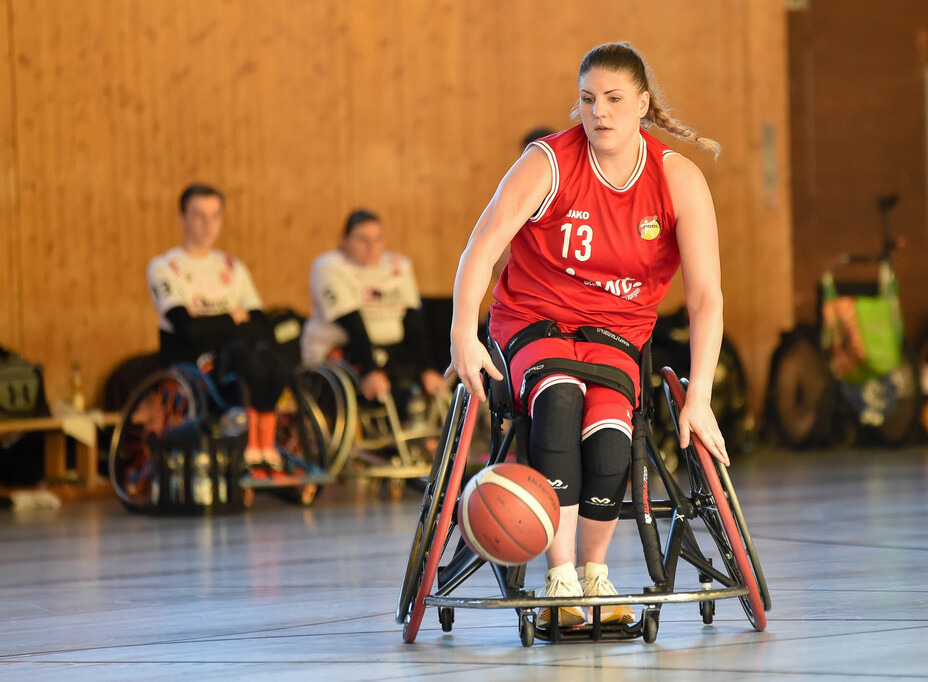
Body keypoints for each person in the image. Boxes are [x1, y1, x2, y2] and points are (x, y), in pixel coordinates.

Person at [447, 42, 730, 628]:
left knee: (608, 437)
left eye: (614, 98)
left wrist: (699, 395)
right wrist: (462, 334)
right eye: (587, 99)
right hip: (533, 320)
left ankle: (596, 571)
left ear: (642, 104)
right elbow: (482, 246)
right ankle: (561, 578)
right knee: (557, 402)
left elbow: (705, 297)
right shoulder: (547, 162)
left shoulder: (677, 180)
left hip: (616, 336)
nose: (598, 111)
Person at [146, 183, 287, 470]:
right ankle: (245, 441)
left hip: (232, 353)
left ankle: (265, 445)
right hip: (190, 359)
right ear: (182, 219)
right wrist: (231, 319)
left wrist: (212, 324)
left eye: (214, 216)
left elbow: (260, 325)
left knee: (272, 358)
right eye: (199, 216)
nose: (208, 224)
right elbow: (185, 327)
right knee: (242, 356)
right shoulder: (164, 266)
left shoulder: (233, 267)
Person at [301, 209, 447, 414]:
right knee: (382, 373)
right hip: (341, 347)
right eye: (363, 240)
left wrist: (427, 368)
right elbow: (352, 324)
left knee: (421, 366)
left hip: (389, 346)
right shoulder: (329, 267)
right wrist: (369, 371)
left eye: (378, 240)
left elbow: (413, 320)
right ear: (345, 240)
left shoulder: (398, 265)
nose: (372, 248)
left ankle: (419, 426)